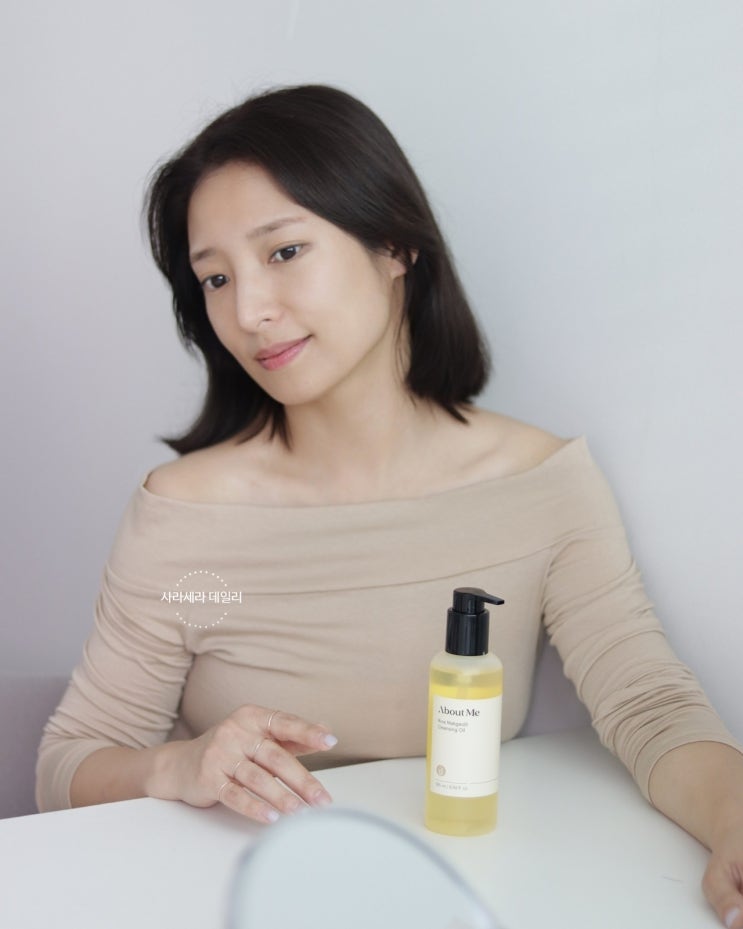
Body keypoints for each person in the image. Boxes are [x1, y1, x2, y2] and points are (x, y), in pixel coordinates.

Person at [36, 84, 743, 927]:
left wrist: (734, 824)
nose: (248, 310)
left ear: (396, 243)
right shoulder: (188, 517)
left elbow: (651, 708)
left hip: (475, 892)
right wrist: (176, 766)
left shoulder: (540, 483)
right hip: (239, 899)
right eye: (215, 277)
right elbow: (69, 763)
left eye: (284, 251)